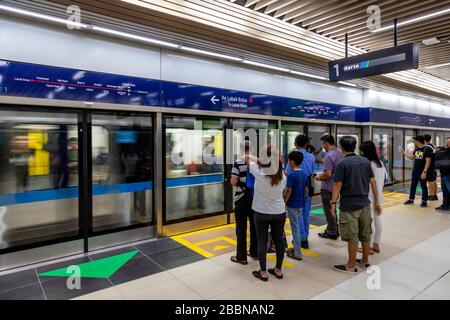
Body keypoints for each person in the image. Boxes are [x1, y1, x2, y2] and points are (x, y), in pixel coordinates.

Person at [331, 136, 381, 274]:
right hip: (365, 203)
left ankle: (351, 265)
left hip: (349, 205)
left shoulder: (343, 164)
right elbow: (373, 182)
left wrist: (333, 203)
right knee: (365, 233)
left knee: (352, 235)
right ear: (355, 146)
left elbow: (337, 184)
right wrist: (376, 201)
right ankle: (365, 261)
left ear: (341, 148)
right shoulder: (365, 161)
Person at [247, 145, 287, 281]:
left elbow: (249, 160)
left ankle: (263, 272)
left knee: (262, 241)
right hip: (279, 212)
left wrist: (257, 158)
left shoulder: (257, 170)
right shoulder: (282, 175)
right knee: (279, 240)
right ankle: (278, 270)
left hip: (261, 211)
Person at [230, 140, 258, 265]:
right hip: (255, 198)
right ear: (251, 149)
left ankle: (241, 256)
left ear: (241, 149)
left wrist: (235, 181)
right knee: (255, 226)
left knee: (241, 228)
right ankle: (255, 252)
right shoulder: (257, 162)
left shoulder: (238, 162)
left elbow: (234, 181)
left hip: (241, 198)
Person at [285, 135, 315, 249]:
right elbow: (311, 172)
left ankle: (301, 238)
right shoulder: (311, 157)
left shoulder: (294, 157)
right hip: (307, 184)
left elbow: (287, 173)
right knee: (306, 212)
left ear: (295, 144)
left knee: (298, 214)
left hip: (296, 186)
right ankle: (305, 236)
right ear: (306, 144)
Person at [359, 141, 387, 254]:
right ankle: (376, 244)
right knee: (377, 220)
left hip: (369, 197)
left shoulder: (368, 164)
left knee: (368, 222)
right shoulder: (380, 163)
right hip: (378, 195)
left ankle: (369, 246)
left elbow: (366, 181)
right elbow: (385, 179)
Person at [316, 134, 344, 240]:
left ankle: (332, 232)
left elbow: (327, 174)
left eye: (323, 144)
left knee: (329, 210)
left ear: (327, 143)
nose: (323, 146)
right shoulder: (340, 153)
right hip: (337, 186)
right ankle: (335, 229)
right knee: (333, 208)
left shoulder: (328, 156)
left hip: (328, 187)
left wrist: (319, 177)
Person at [284, 151, 308, 261]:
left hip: (292, 204)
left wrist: (284, 202)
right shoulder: (303, 174)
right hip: (301, 204)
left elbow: (289, 191)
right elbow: (305, 190)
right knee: (297, 226)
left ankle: (297, 252)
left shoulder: (292, 175)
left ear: (292, 162)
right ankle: (296, 248)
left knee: (295, 228)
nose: (288, 163)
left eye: (289, 161)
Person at [401, 135, 431, 207]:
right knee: (413, 185)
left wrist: (424, 172)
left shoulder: (427, 149)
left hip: (422, 170)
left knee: (423, 186)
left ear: (417, 141)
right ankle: (411, 199)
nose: (413, 142)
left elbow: (428, 162)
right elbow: (412, 157)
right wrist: (404, 153)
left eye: (414, 141)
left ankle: (424, 201)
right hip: (415, 170)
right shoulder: (417, 148)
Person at [435, 137, 450, 212]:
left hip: (448, 174)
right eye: (447, 143)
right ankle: (445, 205)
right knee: (444, 190)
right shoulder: (444, 150)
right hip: (443, 173)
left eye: (449, 143)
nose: (448, 144)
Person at [423, 134, 438, 201]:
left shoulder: (427, 148)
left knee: (430, 181)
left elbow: (427, 159)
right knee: (434, 180)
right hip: (434, 166)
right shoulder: (433, 146)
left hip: (429, 166)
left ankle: (431, 195)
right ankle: (435, 195)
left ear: (424, 140)